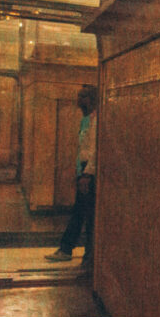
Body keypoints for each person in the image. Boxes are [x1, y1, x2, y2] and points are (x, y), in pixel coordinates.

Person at [45, 86, 97, 266]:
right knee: (81, 212)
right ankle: (74, 251)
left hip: (89, 173)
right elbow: (81, 150)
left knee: (84, 213)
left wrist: (87, 174)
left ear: (91, 99)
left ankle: (72, 250)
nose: (78, 100)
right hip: (83, 170)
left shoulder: (96, 119)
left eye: (82, 97)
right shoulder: (85, 120)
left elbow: (94, 150)